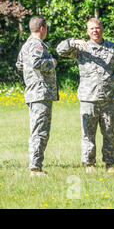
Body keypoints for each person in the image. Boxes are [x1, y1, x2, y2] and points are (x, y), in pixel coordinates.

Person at [56, 18, 114, 173]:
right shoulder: (81, 48)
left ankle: (110, 164)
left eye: (97, 28)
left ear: (102, 28)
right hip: (88, 98)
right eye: (91, 29)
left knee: (109, 132)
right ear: (87, 31)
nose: (95, 31)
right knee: (88, 133)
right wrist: (73, 41)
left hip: (108, 98)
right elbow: (60, 50)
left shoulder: (112, 48)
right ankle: (89, 164)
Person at [16, 16, 59, 177]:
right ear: (43, 28)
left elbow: (20, 65)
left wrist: (30, 77)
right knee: (40, 131)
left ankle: (35, 165)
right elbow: (36, 62)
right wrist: (51, 63)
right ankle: (35, 168)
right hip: (40, 93)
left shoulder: (26, 45)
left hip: (33, 91)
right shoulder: (36, 45)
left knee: (38, 129)